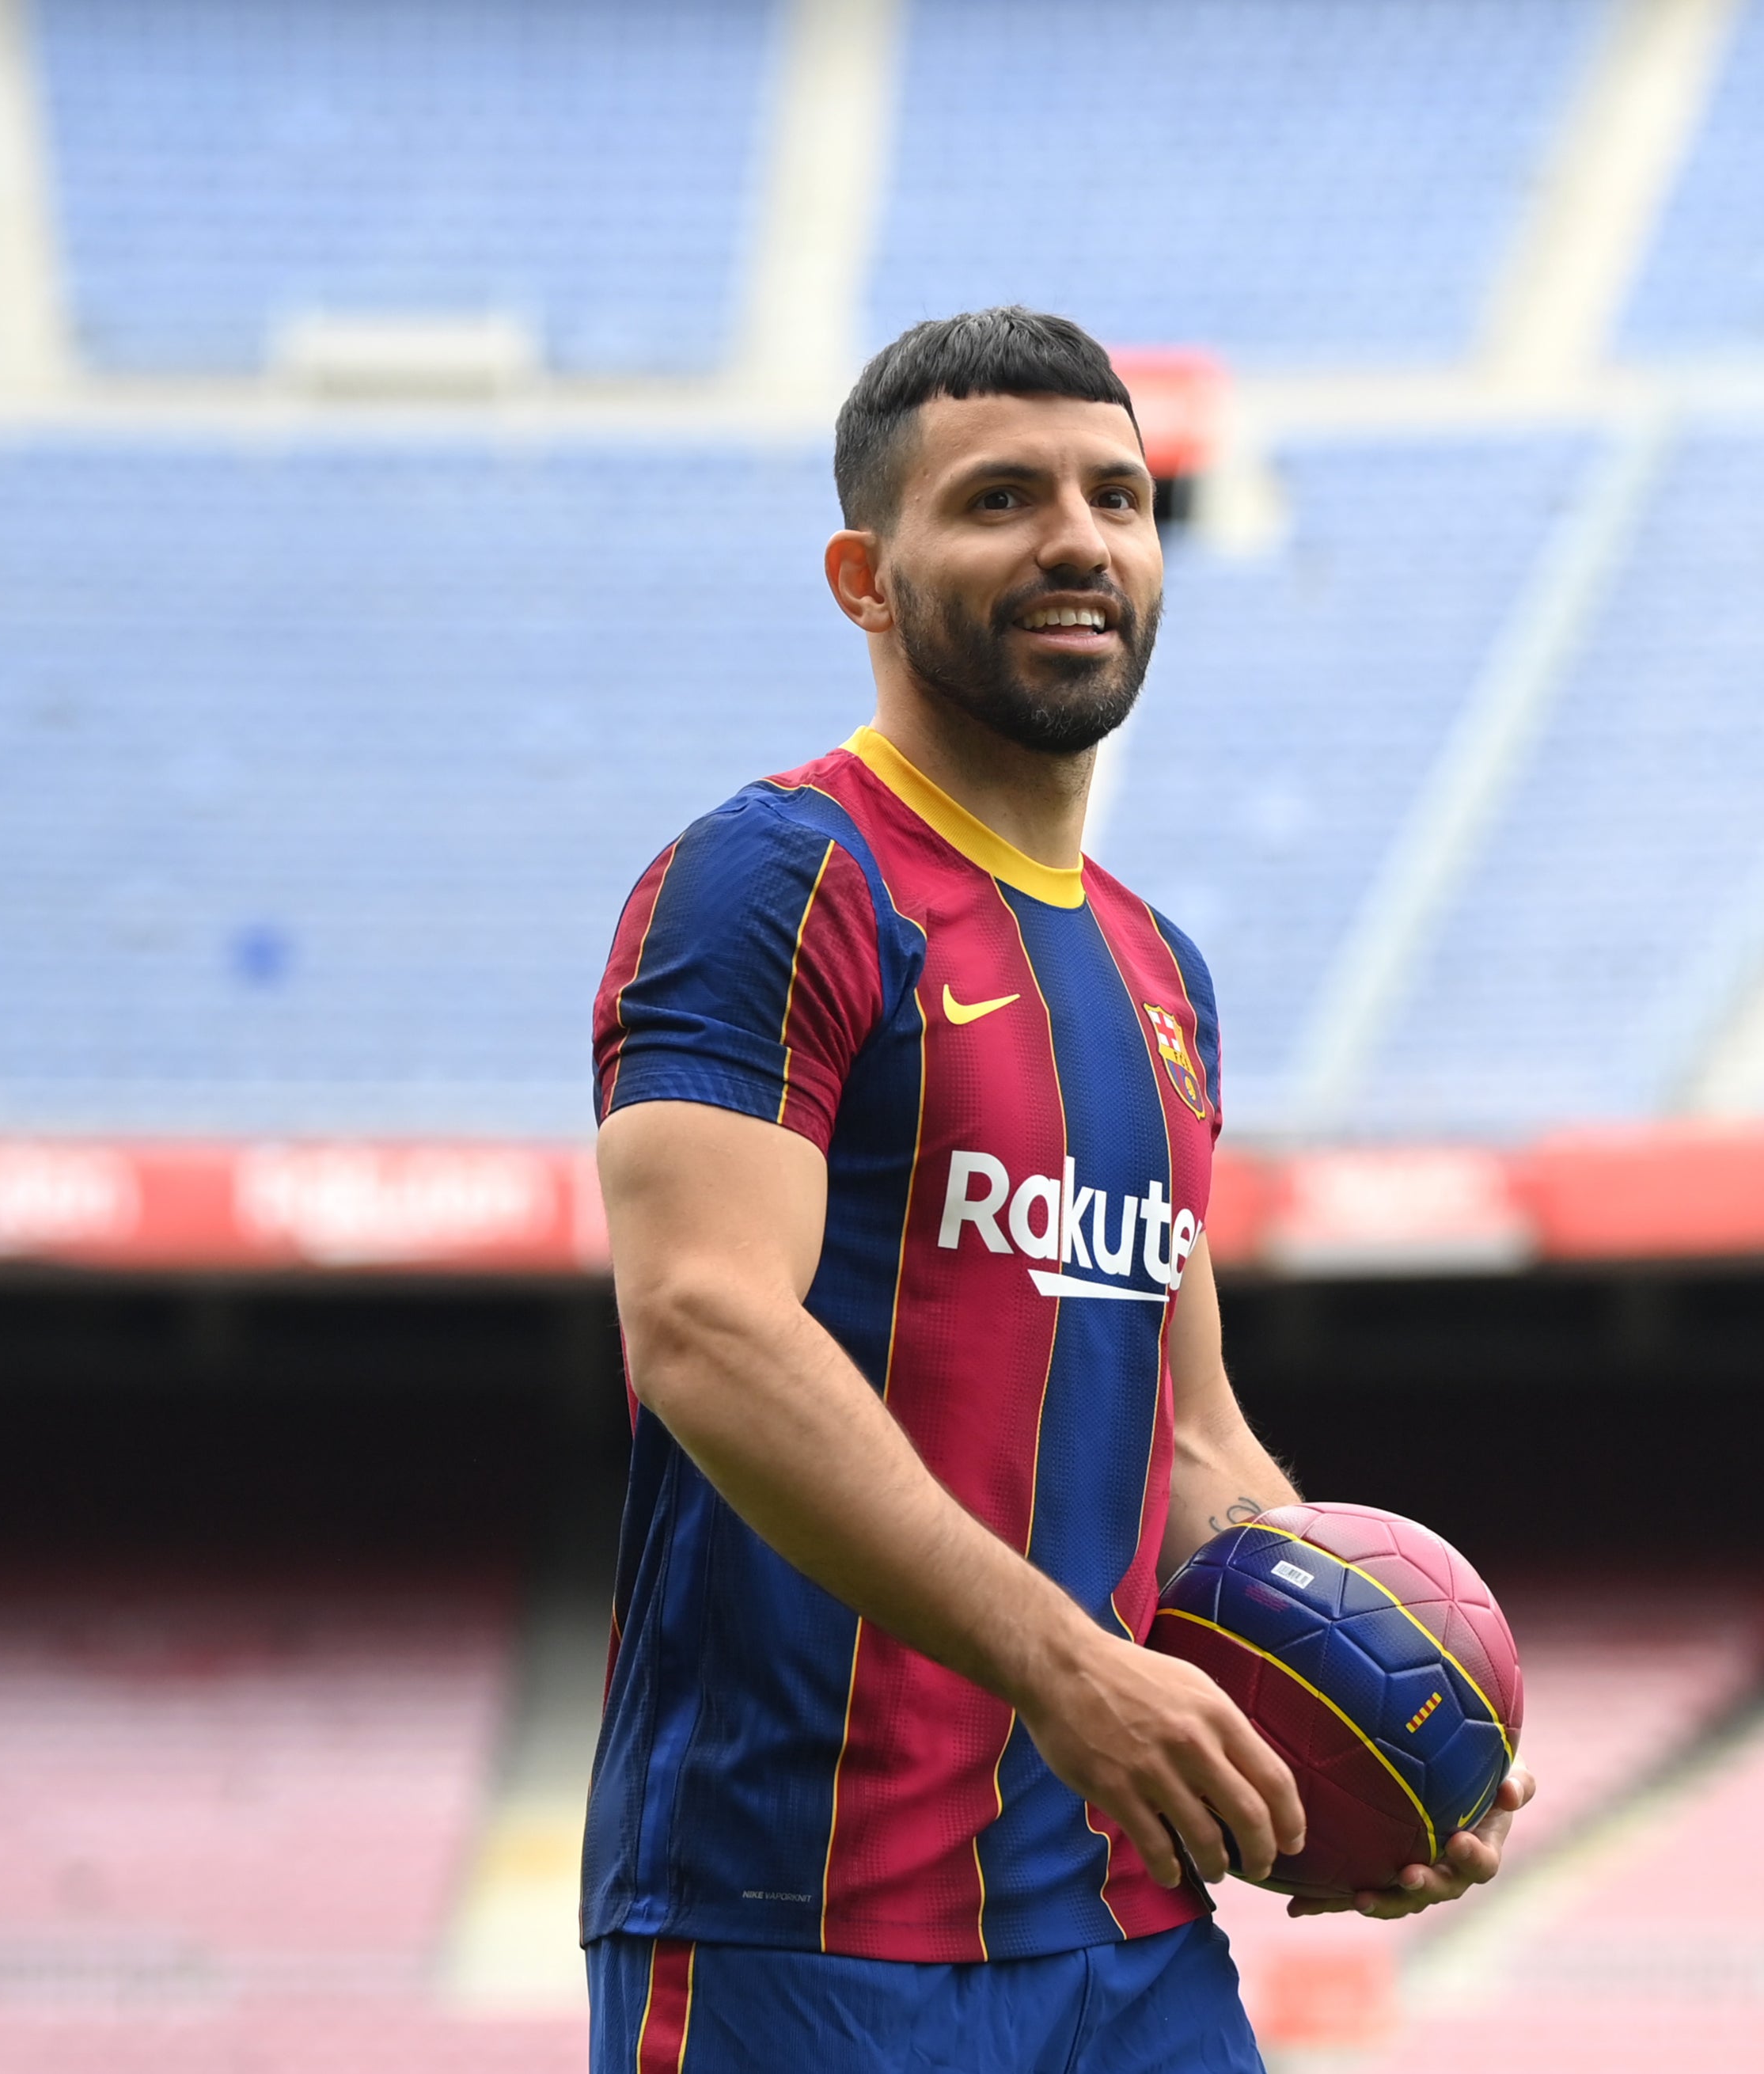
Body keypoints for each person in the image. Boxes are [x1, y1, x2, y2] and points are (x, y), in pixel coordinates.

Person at [582, 306, 1533, 2072]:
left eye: (1118, 494)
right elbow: (704, 1323)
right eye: (1001, 498)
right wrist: (1064, 1664)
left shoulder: (1159, 973)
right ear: (864, 576)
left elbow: (1188, 1439)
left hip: (1122, 1934)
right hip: (796, 1928)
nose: (1079, 537)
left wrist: (1346, 1744)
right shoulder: (775, 879)